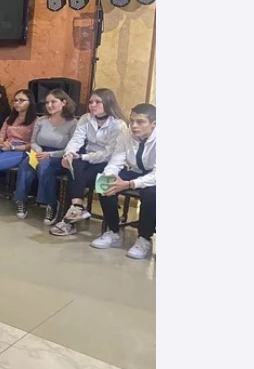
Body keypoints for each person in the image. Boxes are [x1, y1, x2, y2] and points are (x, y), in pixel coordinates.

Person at [48, 88, 126, 236]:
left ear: (108, 103)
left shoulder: (118, 124)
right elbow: (76, 140)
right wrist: (69, 154)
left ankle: (72, 221)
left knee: (79, 176)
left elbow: (108, 154)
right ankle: (77, 207)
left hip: (107, 162)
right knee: (73, 166)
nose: (92, 105)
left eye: (97, 102)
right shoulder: (86, 118)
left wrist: (82, 157)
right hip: (87, 158)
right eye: (90, 102)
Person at [91, 103, 156, 260]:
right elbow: (116, 160)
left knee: (150, 194)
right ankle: (114, 232)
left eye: (140, 122)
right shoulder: (126, 134)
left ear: (154, 124)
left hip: (154, 176)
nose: (134, 125)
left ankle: (144, 238)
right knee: (104, 182)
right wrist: (110, 176)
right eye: (131, 120)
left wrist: (129, 184)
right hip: (136, 171)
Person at [13, 89, 78, 222]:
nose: (49, 105)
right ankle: (21, 200)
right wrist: (38, 151)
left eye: (53, 102)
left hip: (60, 156)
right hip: (40, 152)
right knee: (26, 165)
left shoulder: (73, 123)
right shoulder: (41, 120)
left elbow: (72, 148)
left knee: (45, 166)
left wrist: (49, 154)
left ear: (64, 102)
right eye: (47, 102)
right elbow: (33, 141)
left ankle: (51, 204)